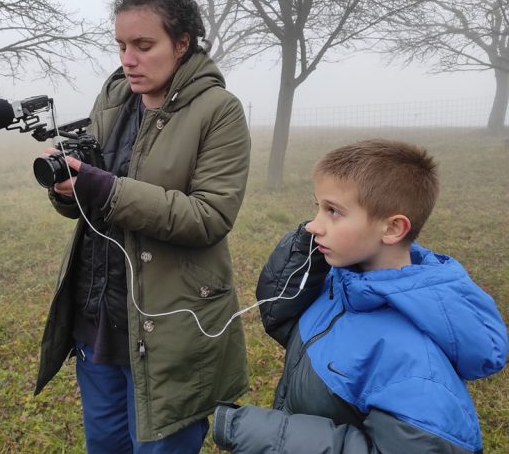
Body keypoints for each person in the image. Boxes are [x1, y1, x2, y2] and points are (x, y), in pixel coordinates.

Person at [34, 0, 251, 453]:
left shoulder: (219, 111)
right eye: (120, 46)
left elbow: (209, 217)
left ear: (182, 43)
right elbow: (92, 204)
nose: (128, 60)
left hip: (170, 330)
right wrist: (70, 191)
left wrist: (104, 188)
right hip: (98, 326)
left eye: (144, 44)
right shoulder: (112, 101)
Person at [213, 139, 508, 454]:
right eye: (318, 207)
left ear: (392, 228)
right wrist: (302, 257)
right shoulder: (342, 285)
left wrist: (273, 435)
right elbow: (286, 322)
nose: (313, 224)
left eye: (333, 211)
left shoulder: (414, 362)